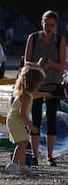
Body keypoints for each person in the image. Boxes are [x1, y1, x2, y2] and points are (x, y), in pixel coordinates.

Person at [24, 10, 66, 166]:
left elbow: (62, 65)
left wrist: (50, 64)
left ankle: (49, 155)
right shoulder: (34, 38)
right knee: (35, 118)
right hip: (36, 84)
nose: (48, 27)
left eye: (52, 25)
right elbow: (26, 62)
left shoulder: (60, 40)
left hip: (53, 84)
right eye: (46, 24)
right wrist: (38, 64)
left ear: (56, 26)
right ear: (41, 23)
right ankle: (35, 155)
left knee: (51, 118)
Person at [5, 66, 51, 175]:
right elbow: (22, 114)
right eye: (39, 83)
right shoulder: (25, 96)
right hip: (15, 121)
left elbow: (34, 95)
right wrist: (31, 126)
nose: (40, 85)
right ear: (34, 83)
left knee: (24, 142)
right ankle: (13, 164)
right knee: (23, 142)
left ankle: (21, 165)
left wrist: (44, 94)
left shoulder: (27, 94)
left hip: (14, 120)